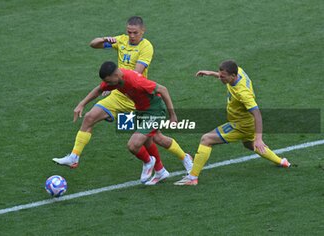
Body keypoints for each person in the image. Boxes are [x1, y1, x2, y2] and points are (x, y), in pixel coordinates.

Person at [52, 16, 193, 178]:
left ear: (143, 31)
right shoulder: (121, 40)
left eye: (135, 33)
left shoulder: (146, 47)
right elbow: (93, 44)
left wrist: (113, 83)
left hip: (137, 97)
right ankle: (74, 157)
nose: (132, 36)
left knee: (155, 138)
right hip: (119, 93)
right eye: (129, 32)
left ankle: (183, 158)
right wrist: (105, 39)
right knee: (90, 117)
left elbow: (136, 73)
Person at [64, 61, 190, 185]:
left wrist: (173, 115)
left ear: (116, 75)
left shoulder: (135, 81)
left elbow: (163, 90)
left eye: (108, 81)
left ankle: (148, 161)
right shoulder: (116, 80)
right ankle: (169, 167)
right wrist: (81, 104)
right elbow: (98, 89)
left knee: (133, 145)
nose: (107, 85)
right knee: (158, 138)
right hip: (141, 111)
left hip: (155, 111)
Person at [174, 60, 291, 186]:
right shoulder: (237, 71)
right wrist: (211, 73)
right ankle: (281, 162)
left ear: (233, 76)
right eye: (220, 75)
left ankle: (192, 177)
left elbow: (257, 114)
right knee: (249, 145)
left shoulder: (243, 93)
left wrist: (259, 138)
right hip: (245, 123)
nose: (220, 78)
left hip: (241, 125)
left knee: (206, 139)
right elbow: (225, 73)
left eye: (222, 77)